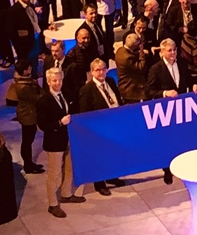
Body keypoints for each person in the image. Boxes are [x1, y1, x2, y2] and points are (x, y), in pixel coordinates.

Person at [147, 39, 197, 184]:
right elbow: (150, 92)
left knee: (183, 138)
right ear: (163, 52)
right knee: (168, 141)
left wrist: (194, 84)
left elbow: (188, 79)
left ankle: (184, 165)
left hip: (183, 108)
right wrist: (165, 93)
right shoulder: (156, 69)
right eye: (170, 50)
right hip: (166, 112)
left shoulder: (182, 63)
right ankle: (167, 169)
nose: (173, 53)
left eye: (174, 49)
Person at [37, 68, 86, 218]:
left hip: (68, 139)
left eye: (60, 80)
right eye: (54, 80)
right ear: (48, 81)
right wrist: (60, 122)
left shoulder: (65, 94)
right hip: (54, 142)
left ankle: (66, 193)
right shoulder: (43, 100)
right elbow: (42, 125)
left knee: (70, 168)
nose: (58, 83)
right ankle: (53, 204)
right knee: (54, 174)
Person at [79, 58, 125, 196]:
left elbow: (117, 99)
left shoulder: (110, 81)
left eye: (103, 69)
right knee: (99, 156)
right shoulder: (87, 90)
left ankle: (112, 175)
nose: (101, 72)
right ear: (92, 72)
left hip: (114, 124)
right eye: (98, 70)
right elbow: (85, 113)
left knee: (113, 153)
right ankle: (99, 183)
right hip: (99, 129)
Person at [13, 60, 44, 174]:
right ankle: (28, 165)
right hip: (27, 115)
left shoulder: (26, 81)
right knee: (27, 141)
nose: (31, 68)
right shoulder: (23, 87)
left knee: (28, 140)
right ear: (25, 71)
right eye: (29, 67)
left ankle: (29, 163)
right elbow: (37, 98)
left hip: (29, 113)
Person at [115, 33, 149, 103]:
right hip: (131, 89)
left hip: (123, 86)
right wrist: (141, 52)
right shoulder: (128, 58)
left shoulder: (120, 50)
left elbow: (132, 54)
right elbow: (141, 68)